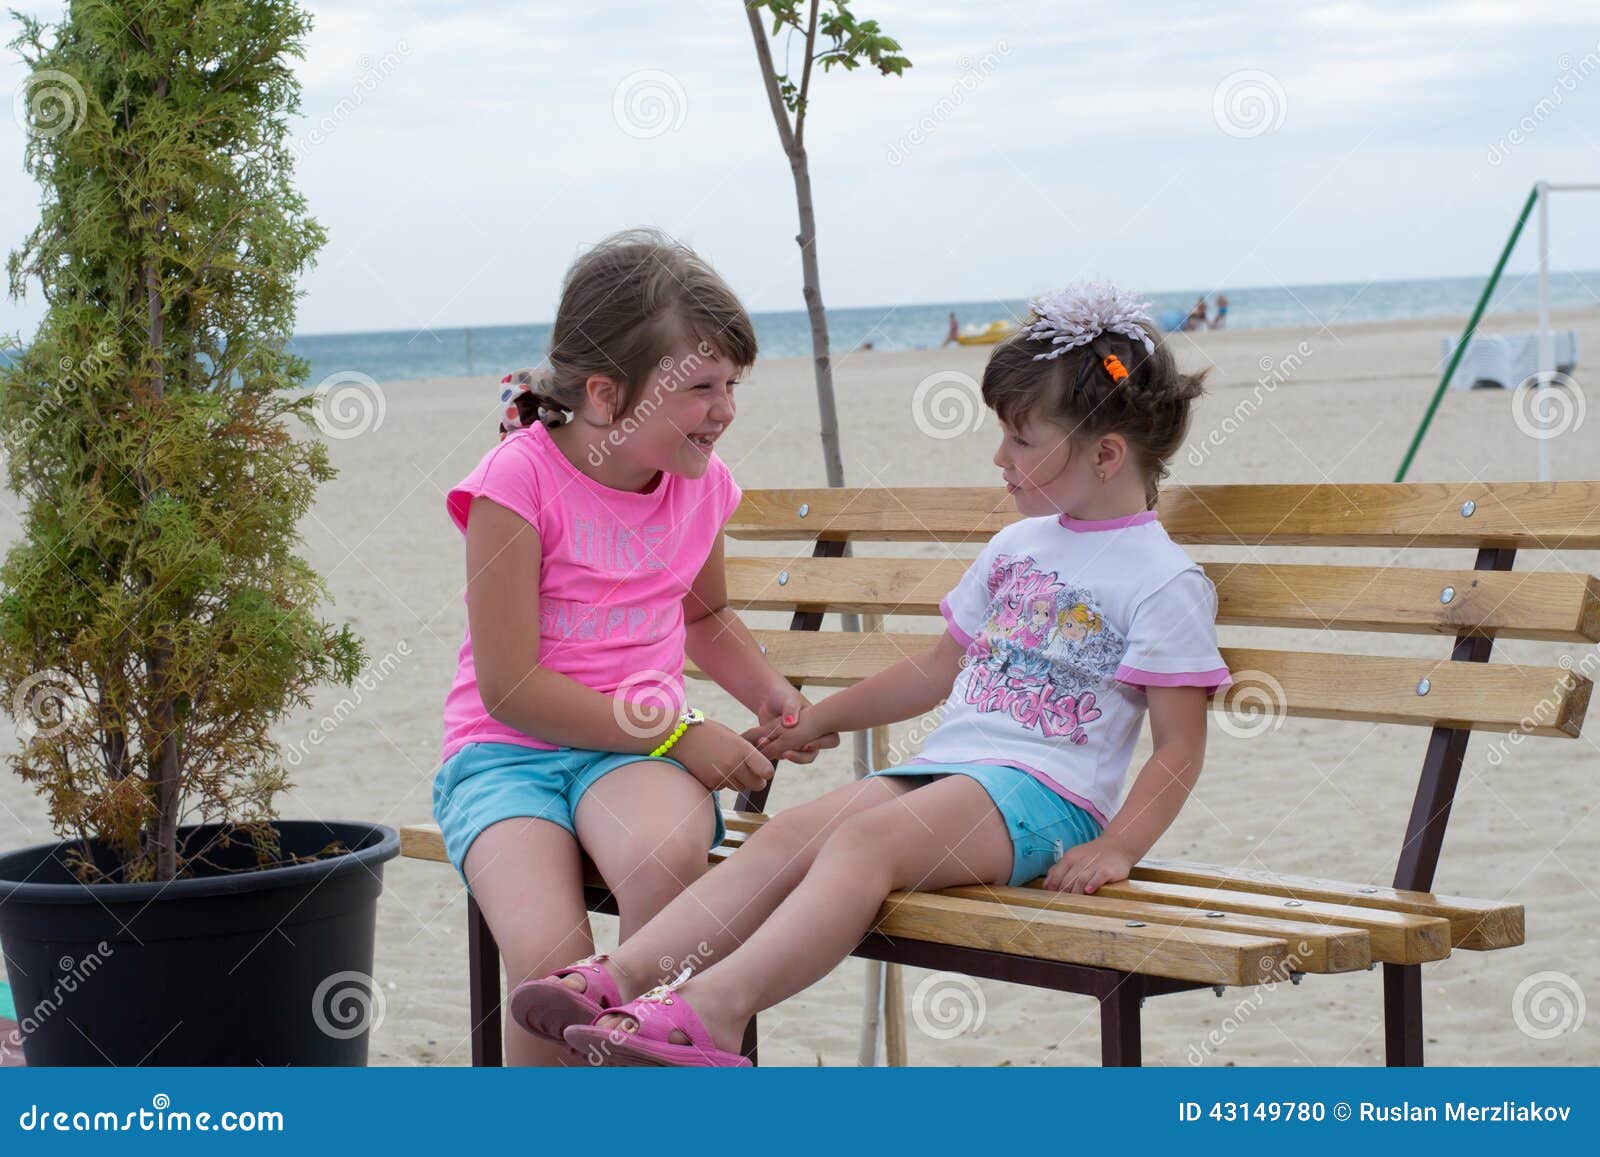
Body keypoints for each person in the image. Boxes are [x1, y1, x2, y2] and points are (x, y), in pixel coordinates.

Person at [512, 282, 1233, 1066]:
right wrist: (820, 718)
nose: (1001, 458)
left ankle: (714, 1008)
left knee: (861, 846)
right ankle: (615, 979)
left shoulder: (1162, 580)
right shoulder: (1018, 548)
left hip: (1048, 799)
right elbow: (933, 672)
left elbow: (1178, 747)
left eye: (1022, 441)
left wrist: (1120, 845)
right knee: (790, 833)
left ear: (1105, 454)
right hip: (947, 774)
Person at [434, 228, 834, 1066]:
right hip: (509, 757)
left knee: (668, 855)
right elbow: (511, 687)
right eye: (698, 387)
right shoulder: (517, 482)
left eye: (731, 383)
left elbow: (705, 615)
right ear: (608, 397)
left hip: (630, 759)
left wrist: (770, 693)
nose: (724, 409)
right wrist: (682, 733)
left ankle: (641, 1066)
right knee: (551, 963)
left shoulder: (700, 486)